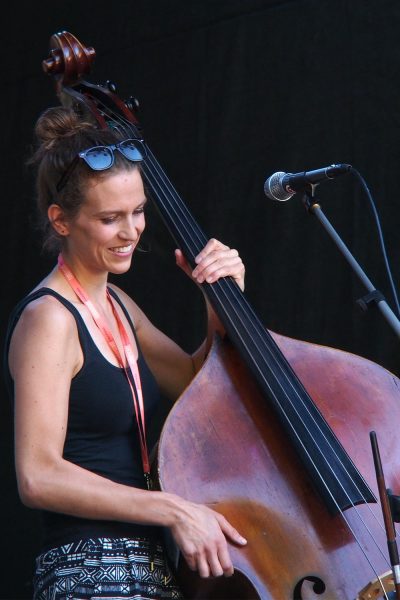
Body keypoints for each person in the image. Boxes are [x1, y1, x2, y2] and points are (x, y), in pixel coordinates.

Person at [4, 106, 247, 600]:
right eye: (110, 218)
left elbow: (200, 386)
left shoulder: (117, 303)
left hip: (152, 567)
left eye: (137, 211)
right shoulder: (49, 319)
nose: (132, 232)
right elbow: (37, 474)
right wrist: (174, 509)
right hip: (88, 573)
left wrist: (222, 301)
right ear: (62, 220)